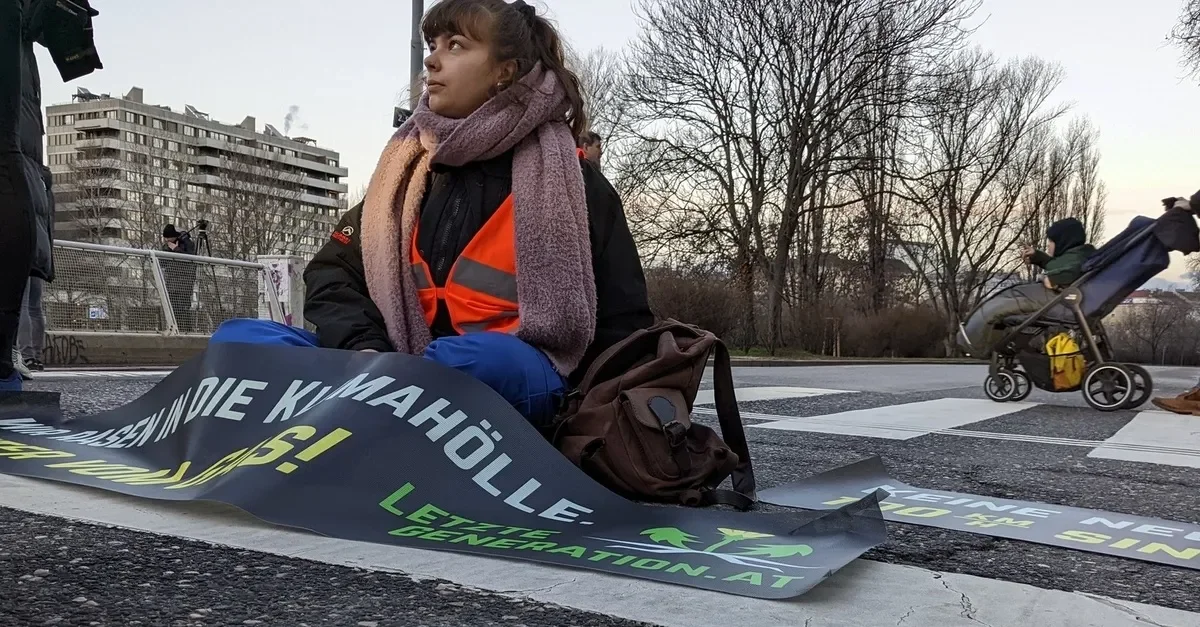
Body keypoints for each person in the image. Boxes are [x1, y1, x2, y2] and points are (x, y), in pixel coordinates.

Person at [210, 0, 655, 427]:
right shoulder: (400, 179)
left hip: (516, 376)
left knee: (472, 362)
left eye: (455, 45)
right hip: (392, 364)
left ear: (504, 71)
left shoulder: (573, 184)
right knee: (240, 340)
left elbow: (624, 321)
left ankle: (375, 407)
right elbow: (332, 275)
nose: (432, 61)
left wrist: (594, 415)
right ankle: (381, 400)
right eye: (432, 45)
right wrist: (365, 348)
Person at [959, 217, 1096, 354]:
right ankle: (983, 343)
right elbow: (1061, 265)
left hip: (1055, 300)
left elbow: (1062, 275)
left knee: (996, 308)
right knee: (1000, 303)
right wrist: (1037, 256)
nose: (1048, 245)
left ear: (1063, 242)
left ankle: (974, 345)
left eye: (1051, 241)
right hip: (1054, 298)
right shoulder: (1080, 254)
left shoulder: (1076, 259)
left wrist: (1050, 279)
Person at [160, 224, 198, 333]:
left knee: (183, 309)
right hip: (172, 283)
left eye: (169, 238)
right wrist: (168, 250)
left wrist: (176, 249)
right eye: (166, 239)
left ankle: (186, 331)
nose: (167, 241)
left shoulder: (187, 243)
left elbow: (190, 259)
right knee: (173, 310)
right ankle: (174, 330)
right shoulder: (167, 246)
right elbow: (162, 263)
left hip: (184, 284)